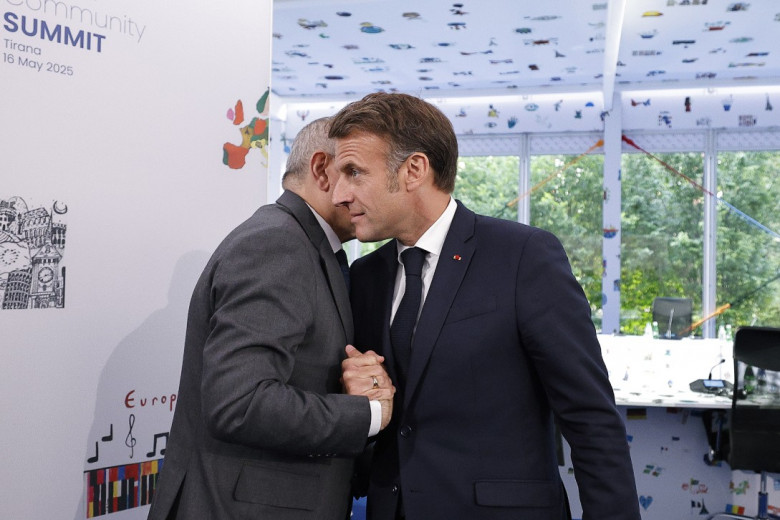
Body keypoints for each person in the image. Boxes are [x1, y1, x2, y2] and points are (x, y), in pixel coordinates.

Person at [332, 93, 641, 520]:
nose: (339, 194)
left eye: (353, 172)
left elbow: (590, 417)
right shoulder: (365, 276)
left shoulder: (523, 256)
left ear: (414, 170)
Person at [147, 117, 394, 520]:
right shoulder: (278, 244)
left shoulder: (305, 246)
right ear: (321, 170)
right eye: (356, 173)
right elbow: (239, 402)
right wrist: (367, 414)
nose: (379, 192)